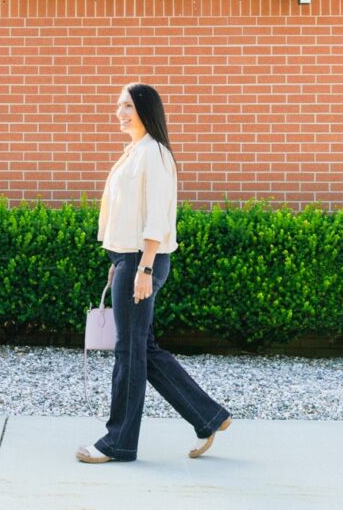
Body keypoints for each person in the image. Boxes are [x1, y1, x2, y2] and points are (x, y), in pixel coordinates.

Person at [77, 82, 231, 464]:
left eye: (128, 105)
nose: (121, 112)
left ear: (147, 109)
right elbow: (127, 216)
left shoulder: (155, 154)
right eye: (118, 106)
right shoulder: (134, 152)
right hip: (128, 261)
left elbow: (157, 217)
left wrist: (142, 267)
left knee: (128, 351)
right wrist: (119, 264)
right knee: (142, 348)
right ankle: (209, 415)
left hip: (141, 261)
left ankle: (119, 443)